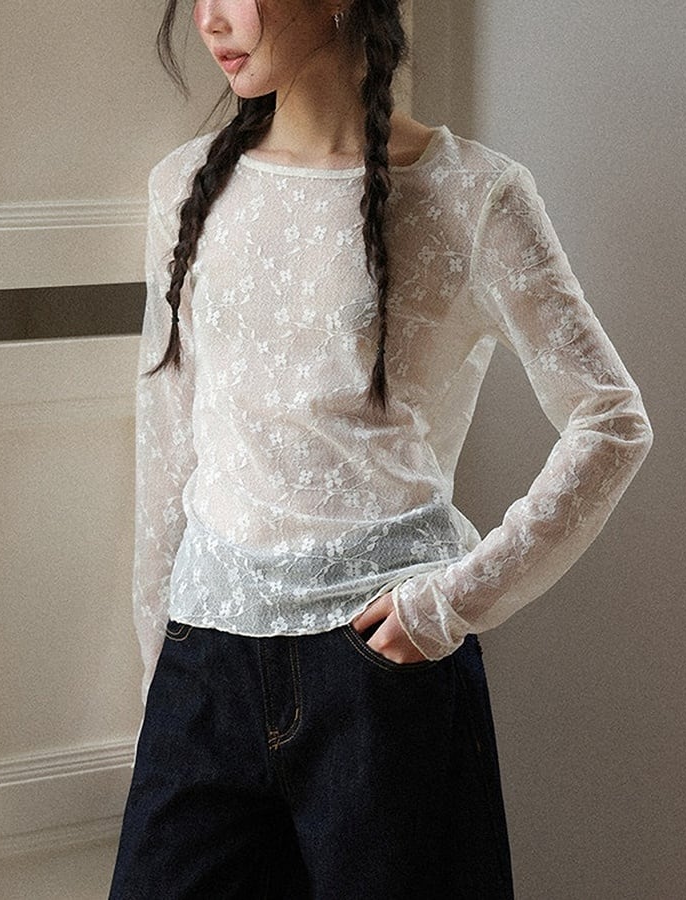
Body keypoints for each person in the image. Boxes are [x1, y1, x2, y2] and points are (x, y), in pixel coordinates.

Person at [109, 0, 653, 897]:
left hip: (378, 672)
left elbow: (610, 421)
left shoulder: (471, 192)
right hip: (204, 664)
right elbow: (167, 439)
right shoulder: (185, 186)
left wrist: (452, 603)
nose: (208, 20)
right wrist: (157, 674)